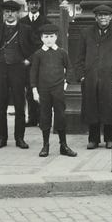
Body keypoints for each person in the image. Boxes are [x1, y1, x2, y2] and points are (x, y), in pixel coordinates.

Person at [0, 0, 35, 149]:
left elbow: (38, 47)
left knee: (19, 104)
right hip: (0, 68)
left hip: (19, 69)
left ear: (18, 13)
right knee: (0, 105)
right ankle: (2, 138)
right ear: (3, 14)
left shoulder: (26, 29)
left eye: (12, 12)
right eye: (6, 12)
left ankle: (20, 138)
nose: (9, 14)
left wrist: (29, 60)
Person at [73, 4, 112, 149]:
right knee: (92, 108)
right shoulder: (86, 33)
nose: (103, 17)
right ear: (96, 17)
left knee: (109, 108)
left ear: (110, 17)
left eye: (106, 15)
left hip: (110, 78)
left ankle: (109, 138)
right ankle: (93, 139)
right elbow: (78, 57)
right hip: (91, 77)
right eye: (100, 15)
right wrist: (81, 76)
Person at [30, 24, 77, 158]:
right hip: (43, 90)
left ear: (56, 37)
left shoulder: (62, 52)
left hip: (58, 90)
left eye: (51, 36)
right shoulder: (38, 54)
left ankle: (64, 145)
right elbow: (33, 73)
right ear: (42, 38)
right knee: (45, 116)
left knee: (60, 116)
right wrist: (34, 90)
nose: (49, 39)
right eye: (46, 37)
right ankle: (45, 145)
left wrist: (65, 84)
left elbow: (70, 69)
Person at [19, 0, 45, 131]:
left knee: (40, 89)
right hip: (26, 62)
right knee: (29, 90)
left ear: (39, 5)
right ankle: (32, 118)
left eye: (36, 3)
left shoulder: (45, 21)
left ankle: (42, 118)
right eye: (31, 3)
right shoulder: (21, 22)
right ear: (27, 5)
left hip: (40, 61)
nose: (33, 6)